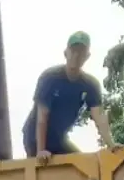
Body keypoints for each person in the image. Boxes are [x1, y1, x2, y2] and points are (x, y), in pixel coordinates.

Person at [22, 32, 116, 162]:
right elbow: (42, 116)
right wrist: (40, 151)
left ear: (87, 57)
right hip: (35, 137)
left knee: (84, 162)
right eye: (73, 51)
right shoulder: (50, 78)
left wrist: (112, 145)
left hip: (58, 139)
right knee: (43, 165)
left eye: (81, 52)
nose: (76, 56)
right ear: (66, 53)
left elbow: (99, 117)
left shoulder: (90, 85)